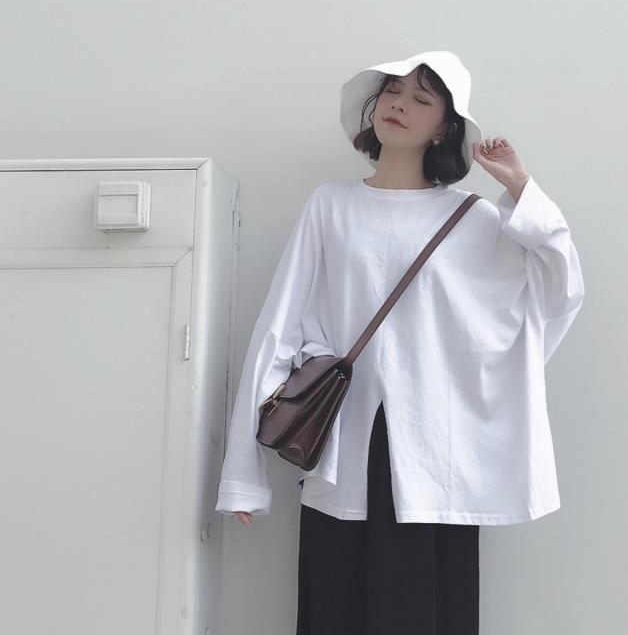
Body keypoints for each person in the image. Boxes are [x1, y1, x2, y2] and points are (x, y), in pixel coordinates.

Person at [215, 50, 585, 635]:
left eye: (421, 98)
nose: (399, 104)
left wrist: (520, 188)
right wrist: (243, 472)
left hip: (436, 453)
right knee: (336, 608)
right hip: (345, 444)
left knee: (425, 610)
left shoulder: (473, 219)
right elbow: (278, 328)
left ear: (444, 126)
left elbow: (557, 290)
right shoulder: (331, 205)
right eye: (392, 90)